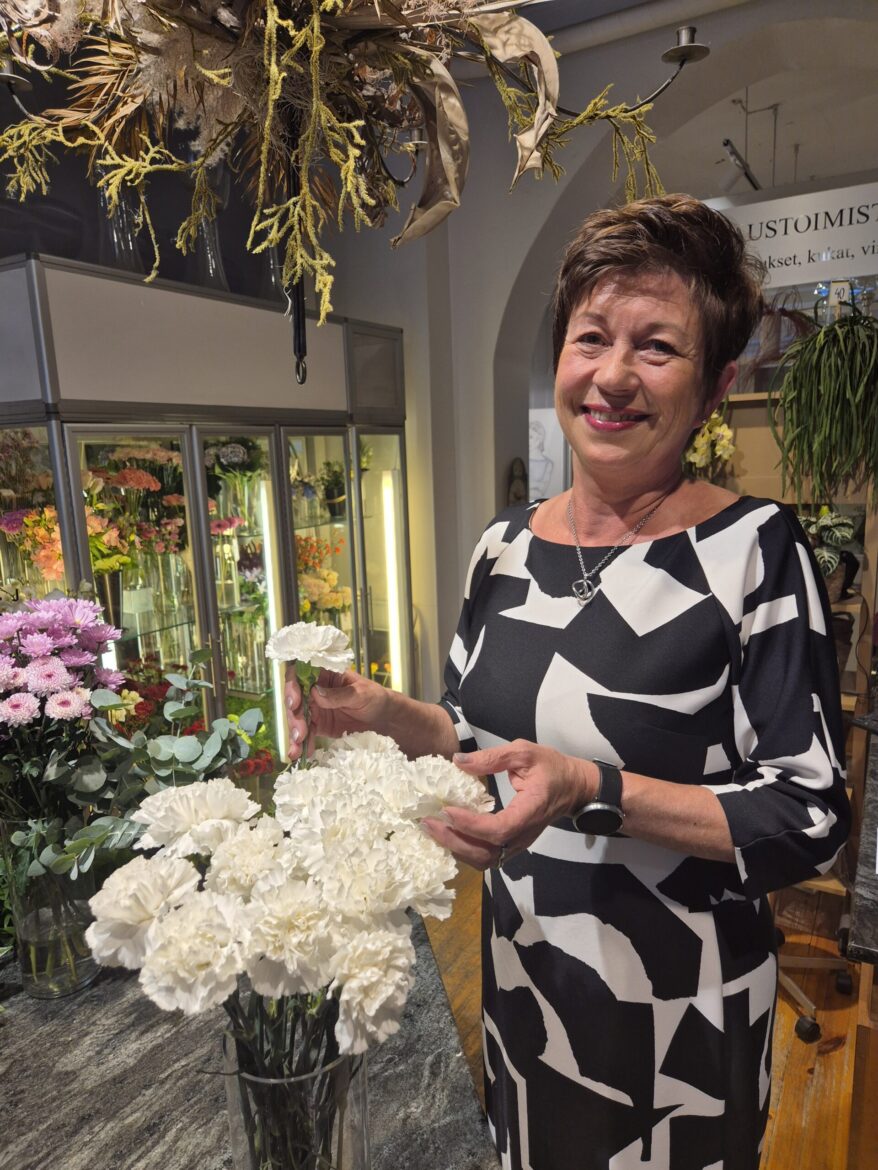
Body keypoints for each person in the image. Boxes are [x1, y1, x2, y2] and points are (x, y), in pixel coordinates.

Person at [285, 194, 851, 1170]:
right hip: (527, 979)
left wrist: (591, 787)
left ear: (714, 386)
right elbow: (475, 738)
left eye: (656, 348)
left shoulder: (753, 552)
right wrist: (386, 714)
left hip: (677, 1014)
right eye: (592, 337)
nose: (613, 375)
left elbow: (808, 814)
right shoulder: (503, 546)